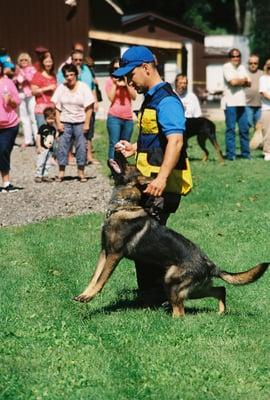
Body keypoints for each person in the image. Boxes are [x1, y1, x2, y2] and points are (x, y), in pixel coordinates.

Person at [113, 46, 190, 305]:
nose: (128, 81)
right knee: (145, 240)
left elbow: (176, 142)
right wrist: (134, 147)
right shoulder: (151, 98)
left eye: (130, 74)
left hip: (160, 185)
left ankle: (164, 292)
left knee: (146, 240)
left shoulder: (166, 100)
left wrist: (161, 179)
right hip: (150, 181)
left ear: (147, 67)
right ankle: (155, 294)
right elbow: (157, 138)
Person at [51, 63, 95, 181]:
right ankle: (61, 172)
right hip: (65, 121)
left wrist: (87, 123)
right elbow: (57, 107)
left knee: (81, 147)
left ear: (76, 74)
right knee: (62, 147)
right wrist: (58, 123)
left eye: (71, 74)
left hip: (80, 121)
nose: (69, 77)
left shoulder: (83, 87)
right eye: (67, 75)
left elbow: (89, 107)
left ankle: (81, 172)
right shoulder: (61, 88)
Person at [105, 57, 136, 171]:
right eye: (115, 68)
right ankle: (114, 169)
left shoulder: (129, 80)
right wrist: (116, 83)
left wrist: (127, 84)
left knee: (125, 145)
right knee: (114, 143)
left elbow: (134, 96)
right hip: (114, 117)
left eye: (120, 68)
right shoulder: (110, 81)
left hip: (128, 118)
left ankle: (122, 168)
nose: (118, 70)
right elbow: (111, 98)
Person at [222, 48, 251, 160]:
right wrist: (242, 80)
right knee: (231, 129)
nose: (236, 58)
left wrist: (240, 81)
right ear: (230, 58)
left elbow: (249, 83)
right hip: (230, 103)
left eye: (238, 56)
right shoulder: (226, 67)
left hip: (242, 103)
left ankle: (246, 154)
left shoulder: (242, 67)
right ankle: (231, 155)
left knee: (244, 129)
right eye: (233, 56)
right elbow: (232, 82)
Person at [0, 61, 21, 192]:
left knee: (3, 151)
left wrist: (10, 100)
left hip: (9, 125)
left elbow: (17, 102)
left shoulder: (8, 83)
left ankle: (6, 183)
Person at [13, 52, 38, 148]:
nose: (23, 62)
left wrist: (22, 72)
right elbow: (15, 80)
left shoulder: (32, 69)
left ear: (29, 61)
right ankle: (28, 140)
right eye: (21, 60)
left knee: (33, 117)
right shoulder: (17, 70)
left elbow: (31, 79)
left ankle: (37, 139)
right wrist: (16, 78)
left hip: (30, 94)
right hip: (21, 94)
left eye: (25, 60)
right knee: (24, 118)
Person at [31, 54, 57, 129]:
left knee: (53, 134)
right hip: (41, 110)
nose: (48, 64)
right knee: (43, 134)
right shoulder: (37, 75)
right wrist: (48, 88)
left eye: (50, 61)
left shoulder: (53, 75)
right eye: (46, 62)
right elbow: (33, 92)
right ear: (42, 63)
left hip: (52, 109)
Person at [35, 107, 58, 182]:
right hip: (43, 148)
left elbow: (54, 138)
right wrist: (38, 146)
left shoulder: (53, 129)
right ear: (45, 118)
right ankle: (38, 175)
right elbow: (38, 136)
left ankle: (45, 175)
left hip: (50, 149)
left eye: (53, 119)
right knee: (41, 161)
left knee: (48, 163)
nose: (51, 121)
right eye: (49, 119)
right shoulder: (42, 127)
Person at [259, 59, 270, 161]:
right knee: (267, 132)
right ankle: (267, 152)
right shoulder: (263, 78)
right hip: (267, 109)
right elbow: (263, 92)